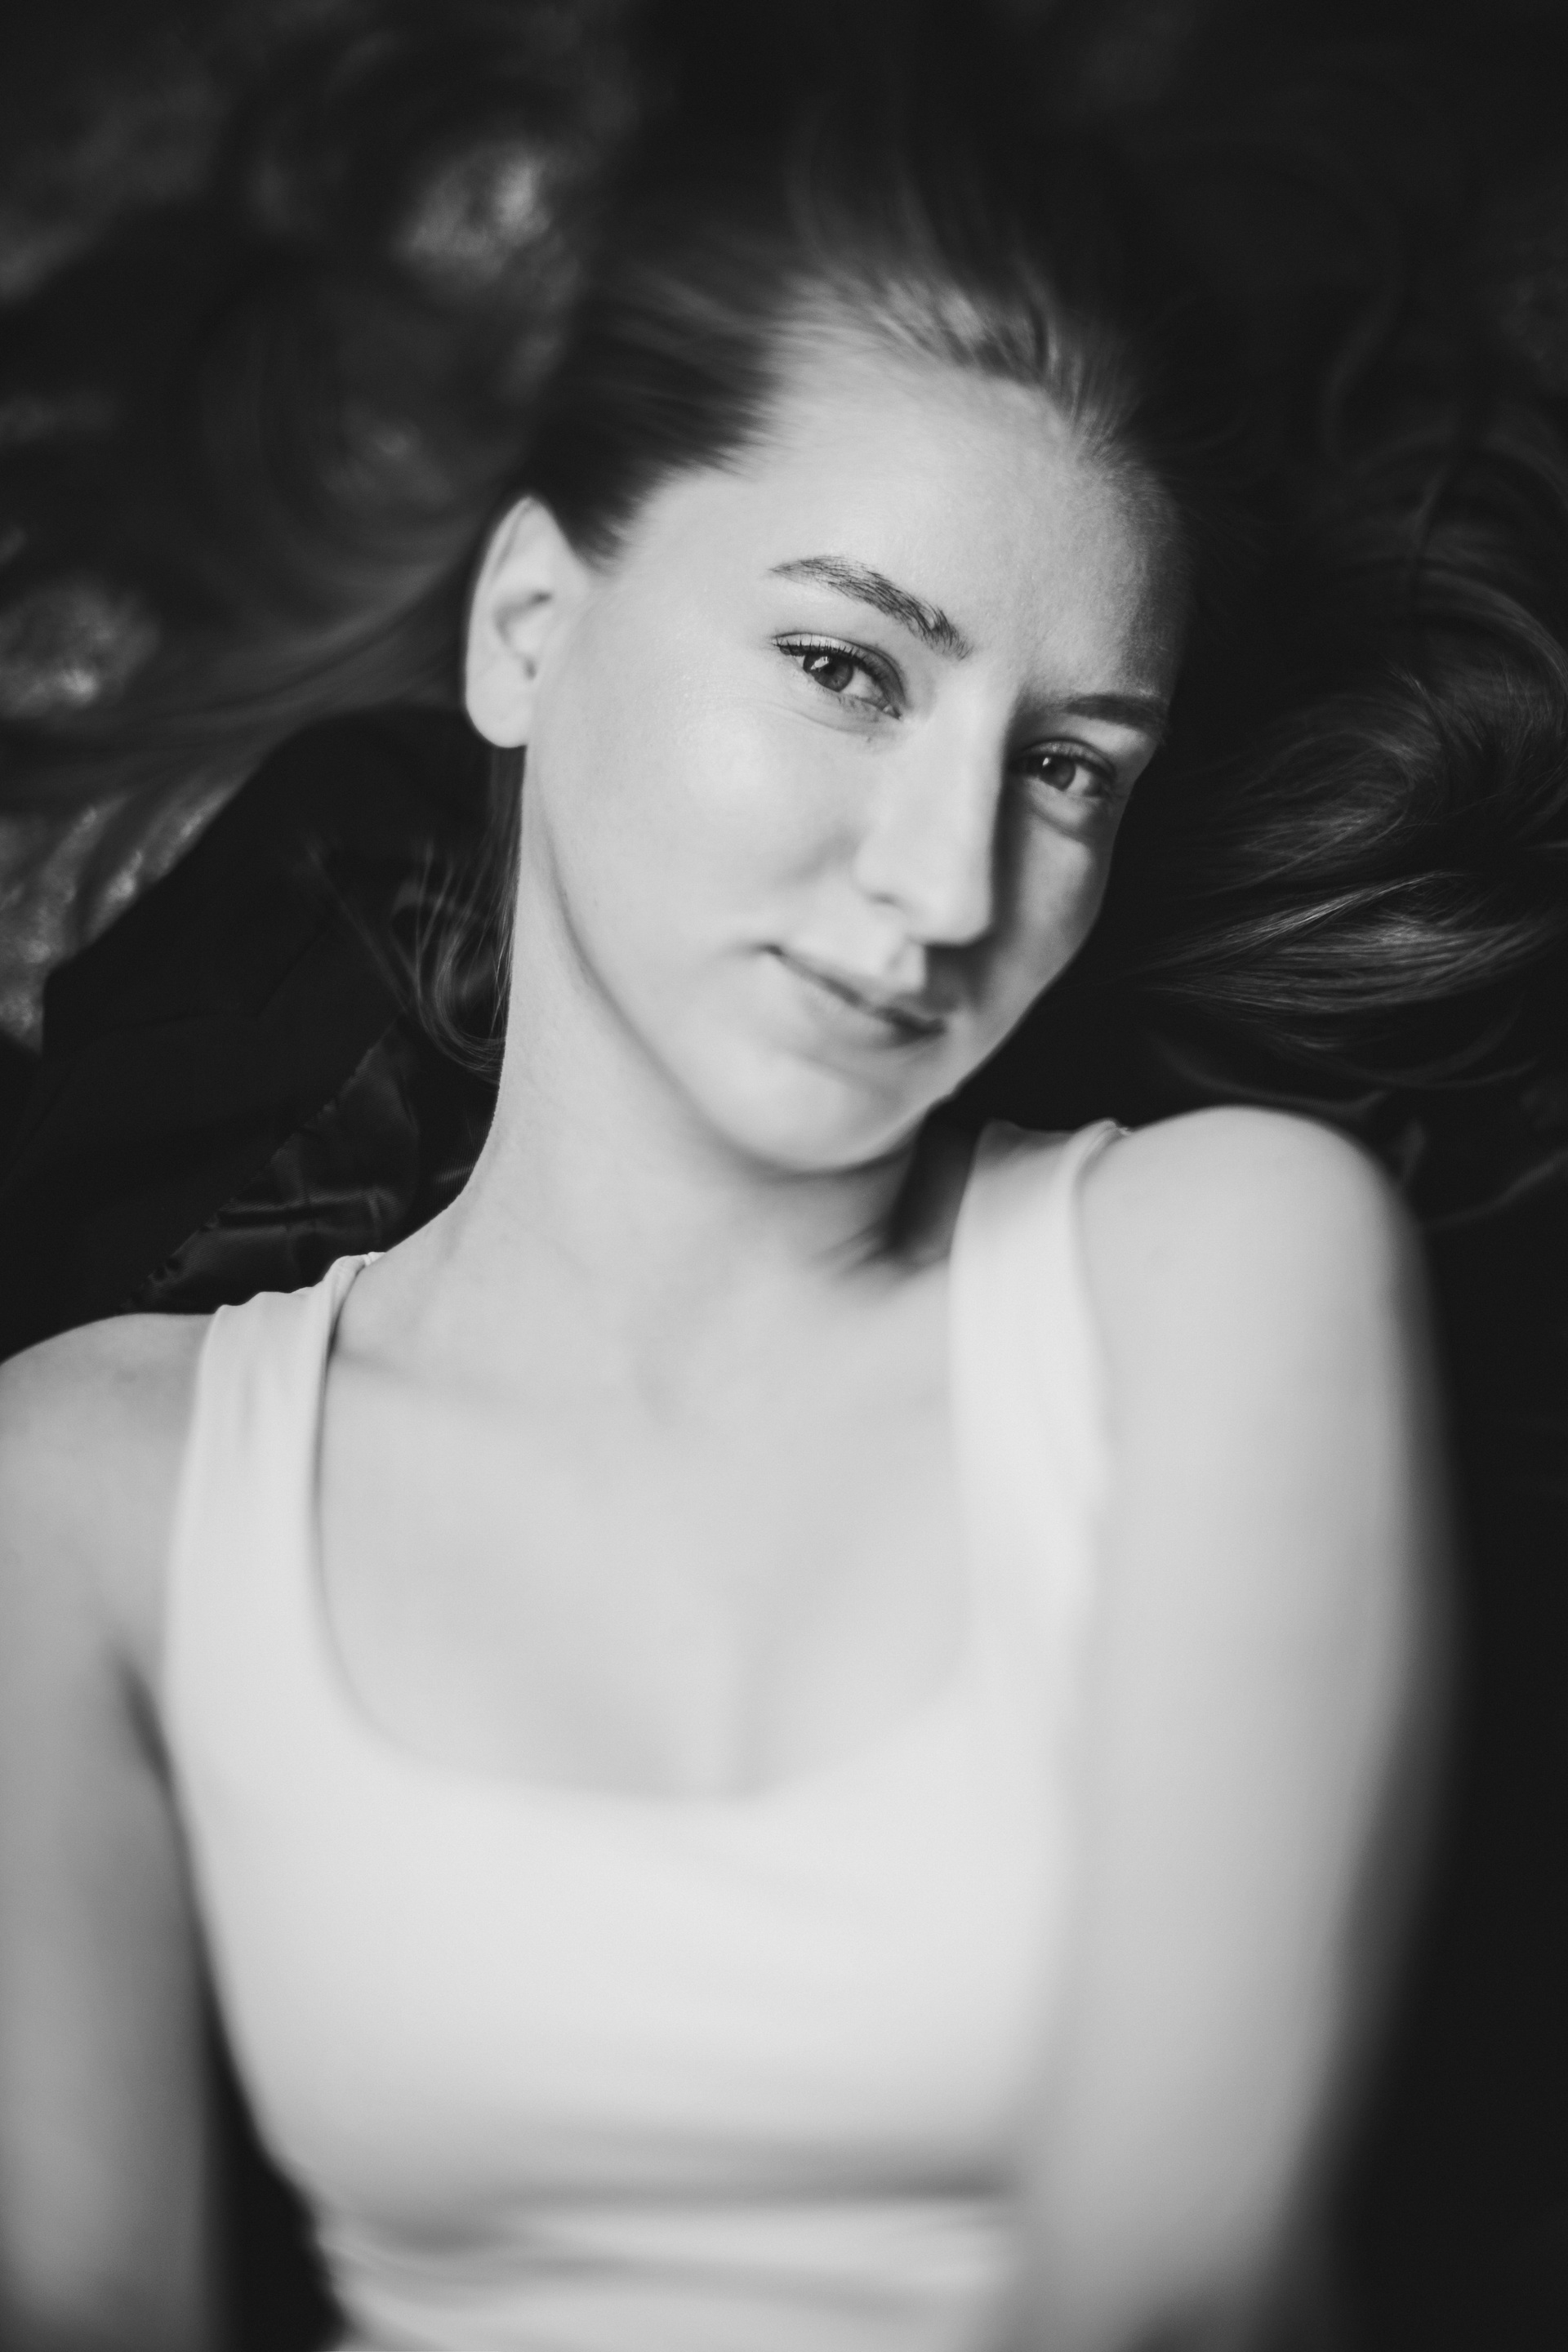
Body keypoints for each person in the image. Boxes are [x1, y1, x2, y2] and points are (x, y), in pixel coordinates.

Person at [0, 10, 1452, 2350]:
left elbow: (1180, 2290)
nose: (945, 884)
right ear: (530, 631)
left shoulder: (1212, 1268)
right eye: (849, 669)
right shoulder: (87, 1485)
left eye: (1068, 768)